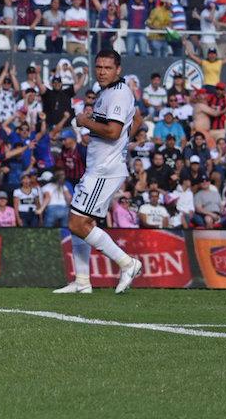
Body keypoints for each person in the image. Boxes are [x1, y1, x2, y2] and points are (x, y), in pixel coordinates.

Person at [54, 49, 143, 294]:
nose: (102, 72)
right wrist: (118, 141)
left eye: (108, 68)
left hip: (104, 169)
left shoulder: (118, 94)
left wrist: (85, 122)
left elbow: (113, 132)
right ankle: (82, 282)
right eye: (99, 67)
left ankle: (128, 263)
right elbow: (137, 120)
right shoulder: (109, 92)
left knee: (77, 223)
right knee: (79, 220)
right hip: (99, 166)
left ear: (118, 70)